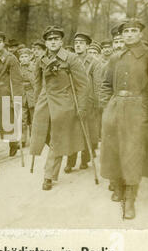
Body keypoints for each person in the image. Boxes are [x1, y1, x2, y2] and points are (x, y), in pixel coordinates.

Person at [100, 19, 148, 219]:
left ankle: (130, 198)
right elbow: (106, 85)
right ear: (121, 35)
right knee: (113, 148)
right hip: (115, 107)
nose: (130, 34)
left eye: (134, 31)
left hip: (137, 109)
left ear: (141, 34)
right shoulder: (115, 57)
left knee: (132, 151)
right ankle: (118, 186)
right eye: (126, 31)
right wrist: (107, 105)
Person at [29, 26, 88, 190]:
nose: (53, 42)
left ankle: (48, 175)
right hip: (44, 102)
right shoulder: (41, 60)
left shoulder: (71, 58)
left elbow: (83, 85)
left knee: (56, 138)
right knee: (42, 135)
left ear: (61, 41)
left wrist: (81, 107)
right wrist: (36, 103)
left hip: (63, 103)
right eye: (49, 40)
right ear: (46, 43)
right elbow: (37, 83)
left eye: (56, 39)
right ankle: (61, 151)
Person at [64, 32, 100, 173]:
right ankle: (70, 162)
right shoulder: (69, 60)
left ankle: (85, 159)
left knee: (87, 131)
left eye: (81, 43)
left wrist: (97, 103)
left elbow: (97, 84)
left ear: (87, 45)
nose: (78, 45)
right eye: (76, 43)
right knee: (72, 131)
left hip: (88, 101)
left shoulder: (93, 62)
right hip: (72, 100)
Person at [18, 47, 35, 147]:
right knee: (22, 118)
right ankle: (22, 139)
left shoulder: (33, 68)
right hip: (22, 95)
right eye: (22, 57)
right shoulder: (17, 68)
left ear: (30, 57)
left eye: (26, 56)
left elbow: (35, 83)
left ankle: (34, 138)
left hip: (32, 95)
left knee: (33, 118)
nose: (24, 59)